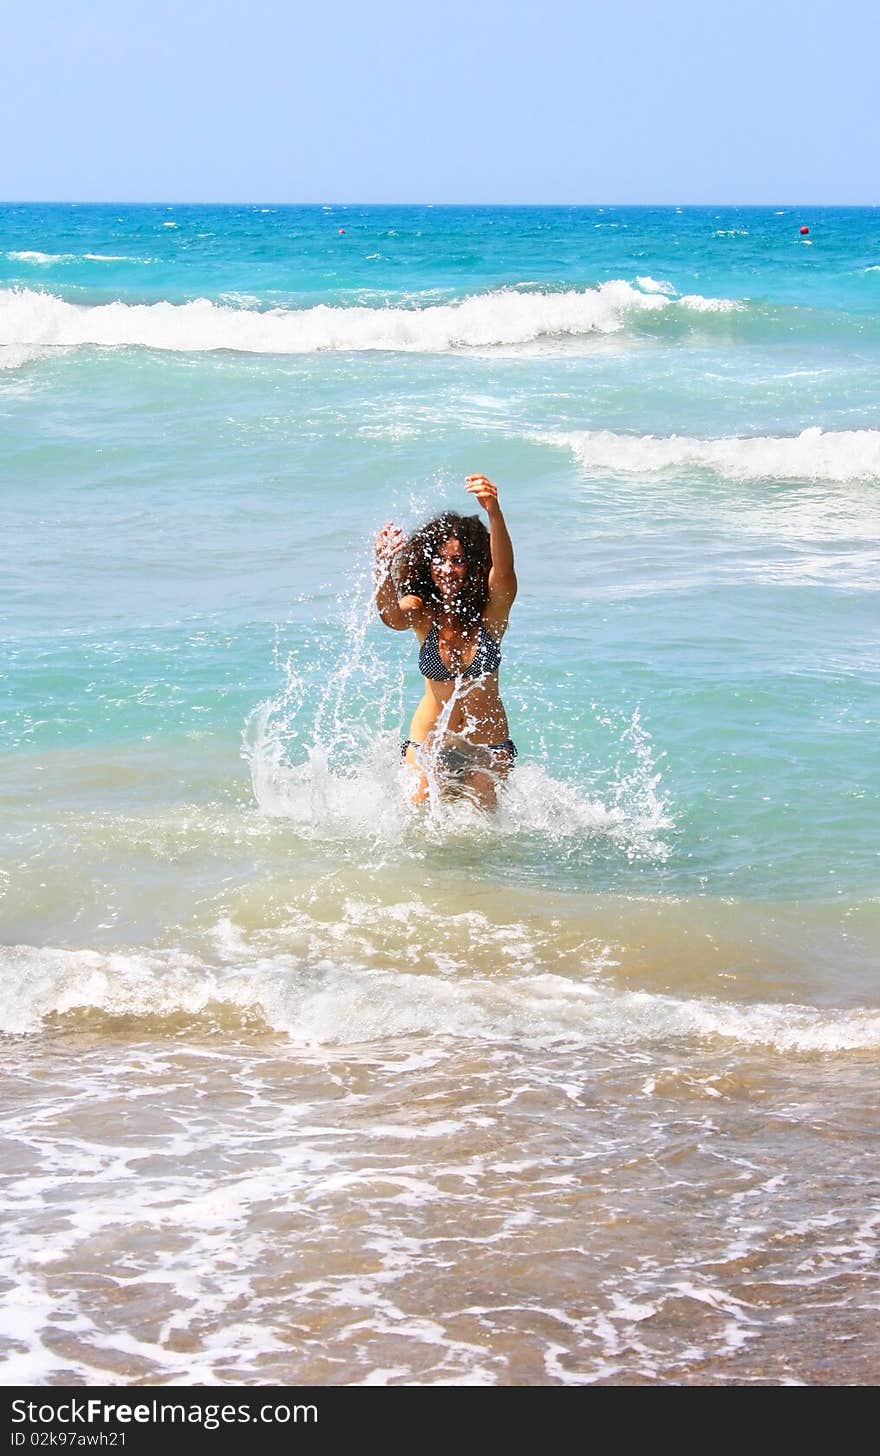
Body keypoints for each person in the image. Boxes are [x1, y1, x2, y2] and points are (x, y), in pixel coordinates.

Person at [374, 475, 517, 808]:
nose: (447, 569)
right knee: (418, 829)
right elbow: (391, 616)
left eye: (458, 560)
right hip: (429, 746)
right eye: (439, 560)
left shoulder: (491, 613)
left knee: (480, 841)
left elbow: (505, 571)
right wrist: (382, 565)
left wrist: (494, 513)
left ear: (475, 564)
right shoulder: (423, 612)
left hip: (488, 748)